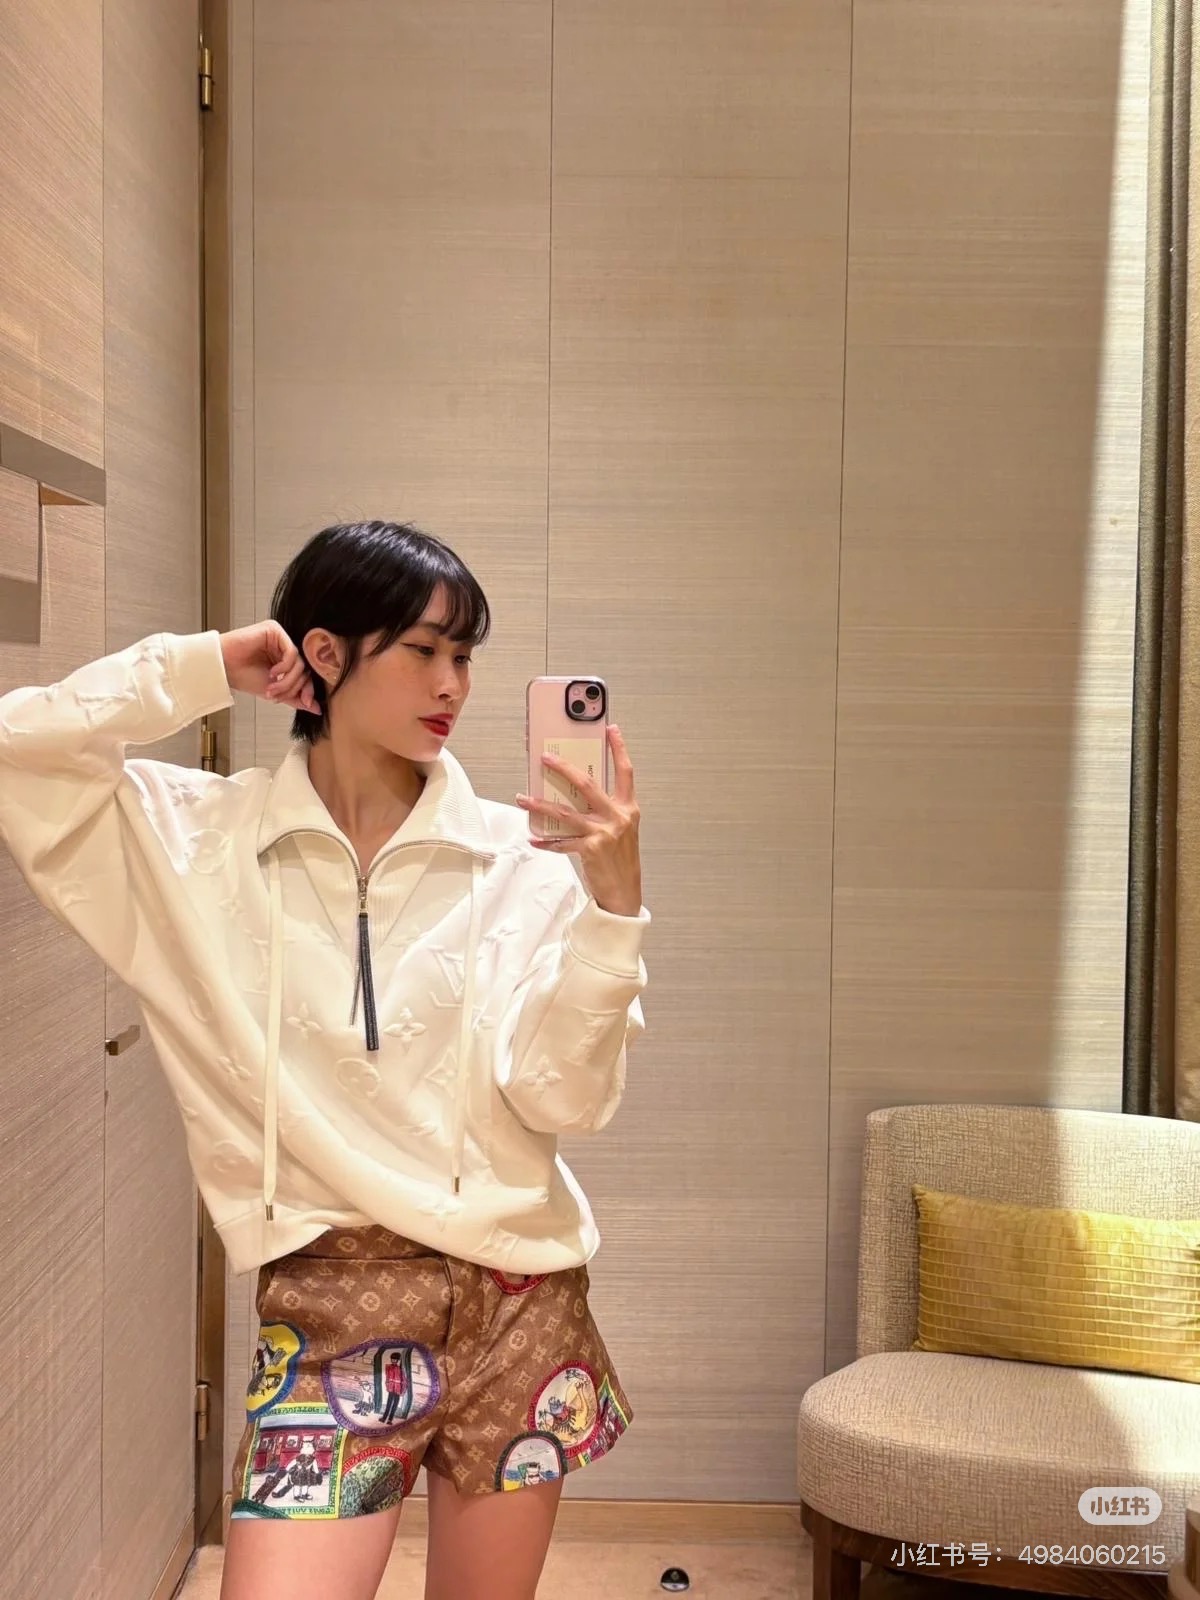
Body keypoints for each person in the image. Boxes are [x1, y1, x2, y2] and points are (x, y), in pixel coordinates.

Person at [0, 520, 649, 1600]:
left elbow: (566, 1100)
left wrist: (613, 912)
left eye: (465, 654)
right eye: (424, 649)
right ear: (326, 652)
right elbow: (20, 746)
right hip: (332, 1294)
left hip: (519, 1297)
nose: (453, 683)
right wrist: (207, 664)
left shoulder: (523, 860)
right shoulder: (197, 843)